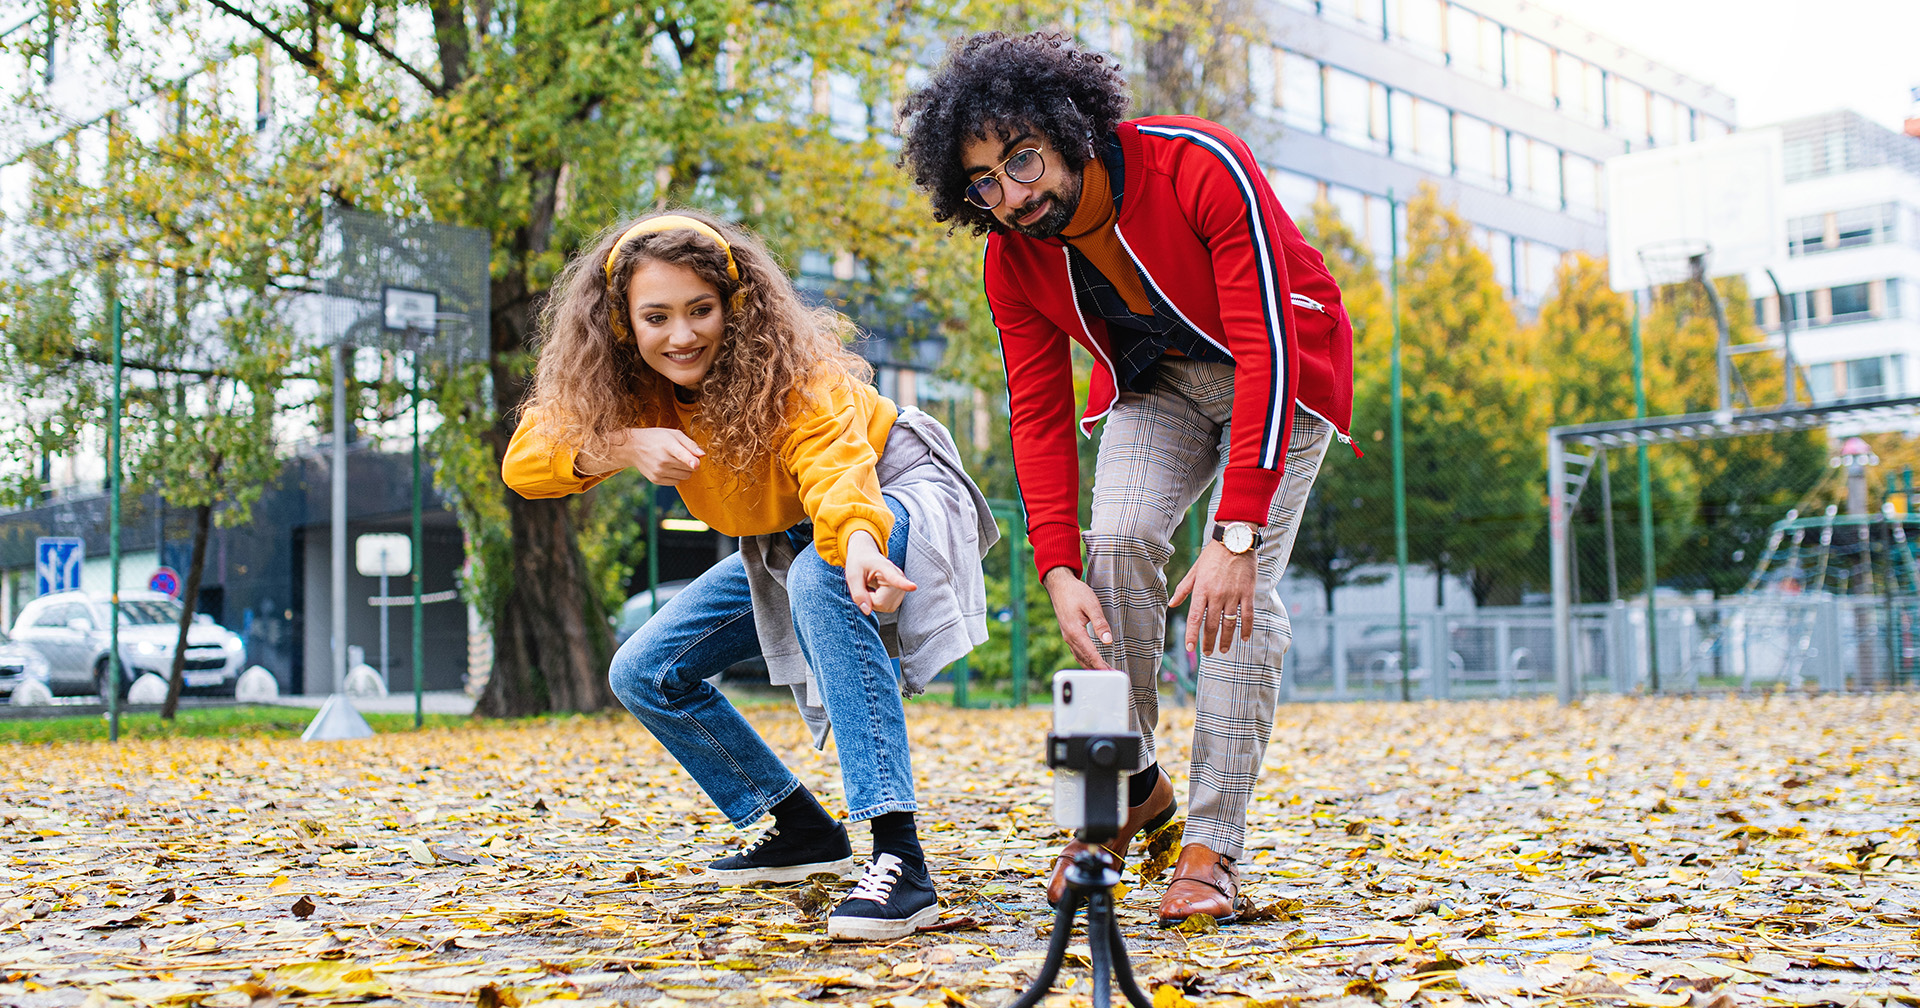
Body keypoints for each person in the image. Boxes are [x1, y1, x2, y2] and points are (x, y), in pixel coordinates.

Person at [898, 32, 1356, 926]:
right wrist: (1057, 568)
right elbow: (1034, 411)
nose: (1011, 196)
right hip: (1157, 389)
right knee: (1111, 549)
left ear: (1069, 127)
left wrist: (1236, 535)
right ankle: (1115, 801)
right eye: (983, 183)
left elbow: (1265, 341)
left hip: (1281, 372)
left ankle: (1213, 845)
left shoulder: (1199, 164)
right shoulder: (1010, 258)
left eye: (1022, 161)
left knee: (1242, 594)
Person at [502, 210, 997, 941]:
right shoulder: (631, 391)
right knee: (645, 669)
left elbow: (836, 467)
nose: (682, 335)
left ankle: (902, 862)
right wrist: (620, 446)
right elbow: (525, 462)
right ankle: (801, 827)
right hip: (786, 536)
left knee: (819, 580)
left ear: (734, 306)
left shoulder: (791, 370)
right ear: (622, 324)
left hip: (891, 489)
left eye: (701, 310)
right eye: (657, 316)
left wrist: (860, 541)